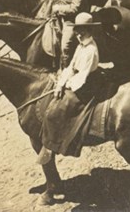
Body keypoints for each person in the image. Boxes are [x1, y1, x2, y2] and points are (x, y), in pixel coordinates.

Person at [38, 12, 102, 166]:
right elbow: (71, 67)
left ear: (89, 31)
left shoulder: (91, 50)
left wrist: (66, 86)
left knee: (62, 105)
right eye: (77, 30)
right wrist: (60, 83)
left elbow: (82, 77)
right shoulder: (80, 47)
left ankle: (57, 144)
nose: (78, 34)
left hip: (87, 84)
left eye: (82, 30)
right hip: (77, 78)